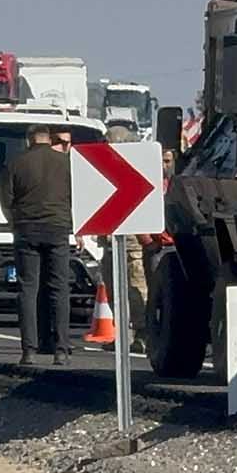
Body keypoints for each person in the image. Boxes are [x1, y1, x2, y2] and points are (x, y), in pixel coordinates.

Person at [0, 124, 75, 365]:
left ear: (28, 140)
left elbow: (6, 198)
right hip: (58, 229)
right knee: (59, 289)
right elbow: (76, 195)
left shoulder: (17, 163)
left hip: (27, 229)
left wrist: (15, 222)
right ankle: (61, 348)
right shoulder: (65, 163)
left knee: (27, 289)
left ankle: (28, 350)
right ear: (50, 139)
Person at [104, 122, 150, 352]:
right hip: (110, 239)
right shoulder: (101, 168)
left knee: (136, 287)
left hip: (133, 241)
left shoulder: (137, 168)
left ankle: (143, 334)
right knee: (113, 288)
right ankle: (122, 334)